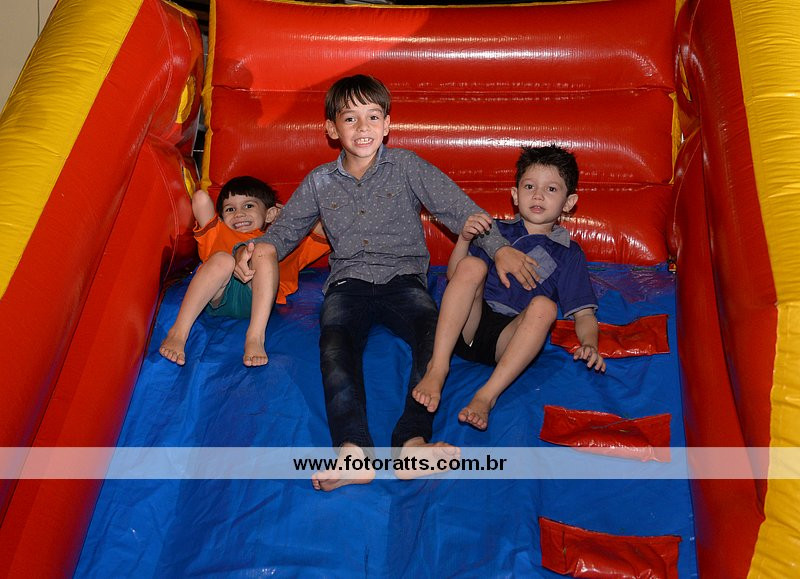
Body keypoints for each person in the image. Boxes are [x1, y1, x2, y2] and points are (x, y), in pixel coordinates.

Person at [233, 74, 539, 490]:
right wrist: (247, 249)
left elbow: (458, 208)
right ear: (331, 129)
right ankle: (353, 451)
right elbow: (283, 234)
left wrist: (499, 247)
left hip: (403, 279)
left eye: (373, 117)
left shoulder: (406, 166)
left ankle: (412, 442)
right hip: (348, 283)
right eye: (350, 119)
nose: (363, 128)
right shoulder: (320, 181)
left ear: (387, 124)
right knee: (335, 344)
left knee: (433, 333)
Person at [412, 145, 605, 431]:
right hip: (468, 323)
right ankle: (438, 367)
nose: (538, 195)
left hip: (511, 340)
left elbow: (584, 313)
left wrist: (590, 343)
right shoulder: (495, 231)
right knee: (472, 266)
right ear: (515, 195)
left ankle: (486, 396)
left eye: (551, 189)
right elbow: (455, 276)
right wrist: (464, 239)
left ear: (569, 202)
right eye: (529, 186)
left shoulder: (568, 252)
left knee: (545, 307)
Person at [159, 176, 329, 367]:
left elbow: (326, 227)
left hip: (259, 298)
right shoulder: (219, 232)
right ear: (222, 217)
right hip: (217, 292)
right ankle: (178, 332)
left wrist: (287, 216)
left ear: (270, 214)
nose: (239, 214)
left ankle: (255, 336)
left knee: (265, 249)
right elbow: (200, 199)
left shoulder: (288, 240)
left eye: (249, 206)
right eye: (230, 209)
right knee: (223, 259)